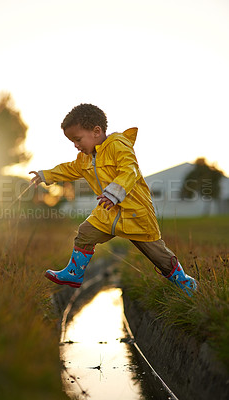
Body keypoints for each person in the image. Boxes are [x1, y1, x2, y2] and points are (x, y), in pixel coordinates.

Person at [30, 104, 197, 296]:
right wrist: (45, 175)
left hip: (135, 213)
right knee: (85, 231)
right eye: (72, 142)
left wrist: (113, 193)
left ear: (96, 131)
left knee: (158, 256)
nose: (76, 145)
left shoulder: (118, 145)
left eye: (77, 139)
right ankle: (74, 273)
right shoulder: (85, 159)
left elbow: (130, 170)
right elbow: (69, 169)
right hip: (109, 212)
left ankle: (186, 284)